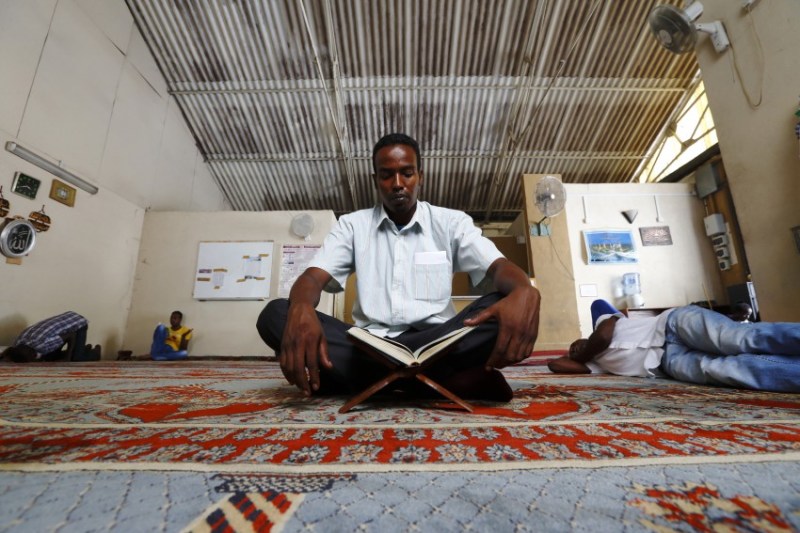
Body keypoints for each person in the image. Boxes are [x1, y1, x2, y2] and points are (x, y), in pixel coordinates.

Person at [257, 133, 541, 401]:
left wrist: (523, 290)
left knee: (507, 301)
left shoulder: (451, 223)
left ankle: (370, 384)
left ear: (420, 177)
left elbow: (499, 267)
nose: (397, 183)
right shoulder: (353, 225)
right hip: (368, 346)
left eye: (407, 173)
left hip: (438, 344)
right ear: (375, 179)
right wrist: (302, 306)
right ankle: (435, 383)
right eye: (386, 175)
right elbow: (312, 277)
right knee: (276, 314)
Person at [547, 300, 800, 393]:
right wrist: (578, 359)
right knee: (732, 370)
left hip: (673, 325)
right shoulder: (596, 365)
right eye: (572, 350)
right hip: (668, 364)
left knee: (738, 339)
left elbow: (600, 337)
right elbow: (554, 365)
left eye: (576, 343)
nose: (574, 348)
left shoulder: (604, 323)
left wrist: (584, 350)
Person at [1, 311, 98, 363]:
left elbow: (71, 335)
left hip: (77, 324)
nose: (34, 359)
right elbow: (9, 354)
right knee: (50, 357)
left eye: (31, 358)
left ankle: (95, 352)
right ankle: (82, 349)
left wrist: (68, 358)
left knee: (76, 358)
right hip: (62, 328)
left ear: (32, 352)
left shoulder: (42, 344)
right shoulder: (18, 343)